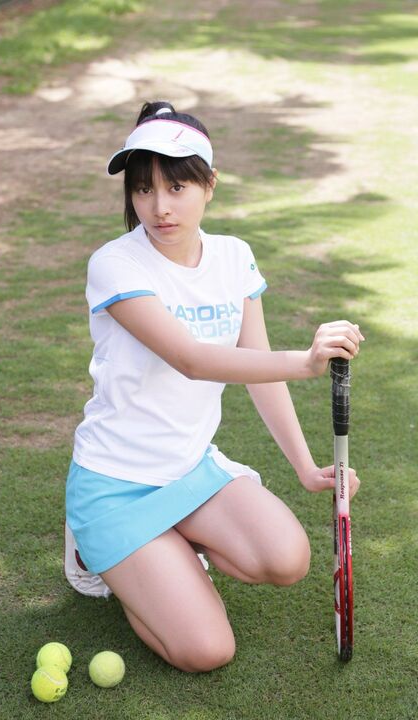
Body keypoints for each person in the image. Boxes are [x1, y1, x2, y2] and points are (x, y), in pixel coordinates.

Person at [64, 100, 363, 673]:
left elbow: (255, 366)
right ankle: (100, 557)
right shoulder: (115, 264)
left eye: (176, 187)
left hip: (190, 470)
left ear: (209, 185)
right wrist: (305, 362)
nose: (159, 206)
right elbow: (193, 360)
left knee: (287, 558)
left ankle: (166, 554)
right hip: (115, 483)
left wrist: (305, 467)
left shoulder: (233, 257)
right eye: (144, 189)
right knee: (207, 651)